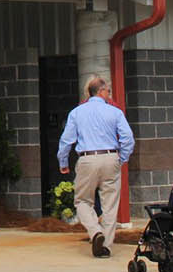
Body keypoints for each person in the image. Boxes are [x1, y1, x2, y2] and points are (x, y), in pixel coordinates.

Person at [57, 74, 135, 258]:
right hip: (110, 157)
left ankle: (95, 232)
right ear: (101, 91)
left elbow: (66, 140)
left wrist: (63, 162)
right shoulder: (115, 112)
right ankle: (106, 246)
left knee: (82, 201)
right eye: (108, 90)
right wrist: (121, 158)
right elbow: (128, 139)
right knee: (110, 205)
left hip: (87, 158)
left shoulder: (76, 112)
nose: (109, 93)